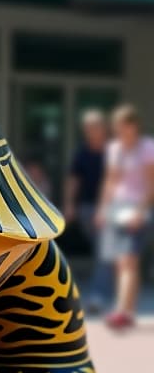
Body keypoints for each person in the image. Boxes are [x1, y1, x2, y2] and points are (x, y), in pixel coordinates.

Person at [96, 104, 154, 329]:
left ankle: (121, 310)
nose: (119, 132)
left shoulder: (148, 147)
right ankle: (128, 310)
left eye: (123, 127)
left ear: (134, 126)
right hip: (117, 207)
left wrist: (140, 212)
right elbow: (111, 180)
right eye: (116, 128)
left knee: (127, 259)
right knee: (125, 263)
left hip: (138, 207)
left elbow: (151, 184)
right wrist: (103, 208)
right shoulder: (114, 149)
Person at [64, 109, 112, 312]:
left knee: (104, 250)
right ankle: (109, 288)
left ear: (104, 128)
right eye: (87, 128)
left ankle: (98, 296)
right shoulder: (82, 152)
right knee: (104, 250)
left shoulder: (114, 150)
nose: (90, 131)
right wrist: (69, 204)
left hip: (111, 208)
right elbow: (74, 179)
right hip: (86, 208)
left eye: (94, 127)